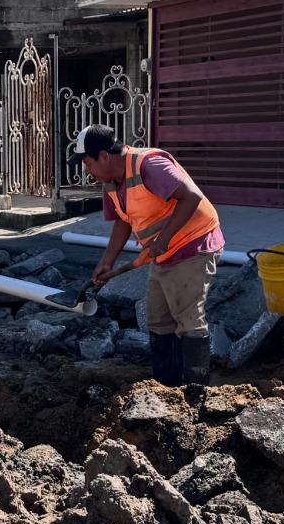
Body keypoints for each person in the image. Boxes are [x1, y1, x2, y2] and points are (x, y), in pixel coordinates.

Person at [70, 124, 224, 387]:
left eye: (88, 163)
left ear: (104, 157)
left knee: (187, 318)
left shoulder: (148, 165)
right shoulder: (110, 182)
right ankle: (166, 388)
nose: (87, 171)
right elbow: (123, 220)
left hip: (193, 244)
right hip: (162, 253)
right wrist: (107, 261)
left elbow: (191, 197)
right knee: (158, 318)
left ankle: (197, 392)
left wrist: (161, 241)